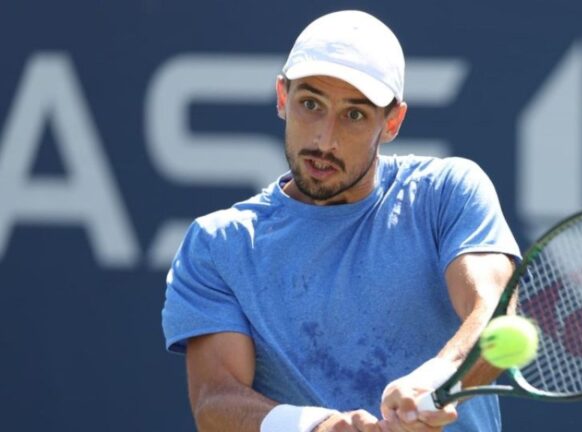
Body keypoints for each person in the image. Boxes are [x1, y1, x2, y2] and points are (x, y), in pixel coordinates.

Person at [162, 10, 520, 432]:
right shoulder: (218, 244)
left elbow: (496, 314)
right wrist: (318, 427)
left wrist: (435, 380)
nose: (323, 140)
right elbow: (216, 402)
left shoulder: (447, 192)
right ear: (282, 97)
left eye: (354, 115)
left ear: (392, 122)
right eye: (310, 104)